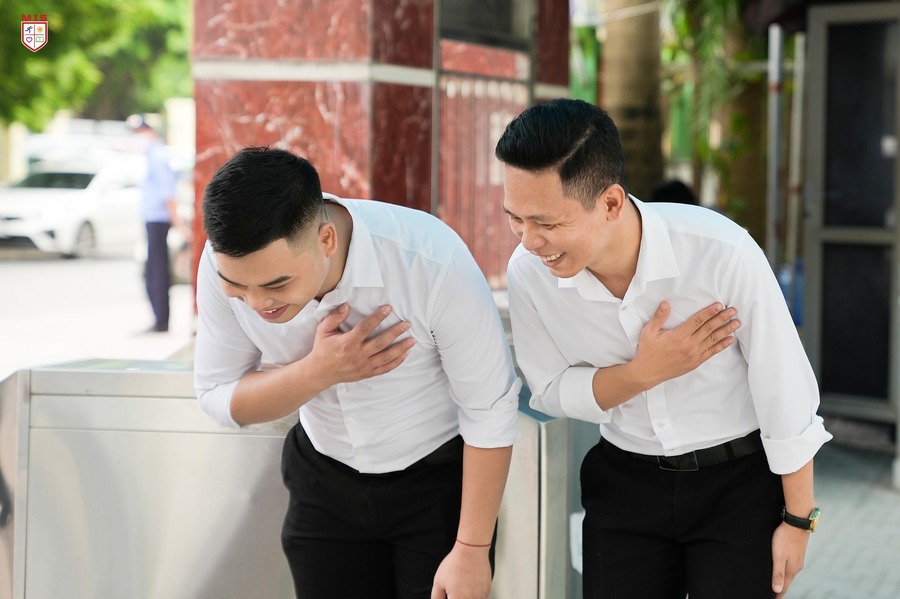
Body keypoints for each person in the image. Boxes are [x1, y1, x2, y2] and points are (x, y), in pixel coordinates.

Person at [494, 99, 832, 599]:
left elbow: (783, 389)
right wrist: (643, 372)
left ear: (611, 203)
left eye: (547, 223)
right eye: (515, 219)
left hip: (737, 487)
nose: (529, 241)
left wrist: (799, 520)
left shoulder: (721, 252)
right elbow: (548, 390)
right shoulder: (529, 274)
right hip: (624, 485)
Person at [193, 147, 521, 599]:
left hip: (436, 488)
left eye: (276, 284)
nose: (256, 303)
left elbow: (490, 409)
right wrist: (317, 372)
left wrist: (472, 548)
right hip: (322, 483)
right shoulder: (221, 264)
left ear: (326, 240)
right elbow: (217, 395)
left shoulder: (429, 260)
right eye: (236, 288)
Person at [129, 115, 190, 333]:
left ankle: (161, 320)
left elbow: (167, 193)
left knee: (157, 271)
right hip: (153, 219)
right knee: (152, 269)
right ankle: (159, 318)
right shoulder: (151, 154)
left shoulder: (158, 155)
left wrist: (178, 222)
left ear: (151, 131)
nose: (137, 137)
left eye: (140, 132)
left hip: (159, 220)